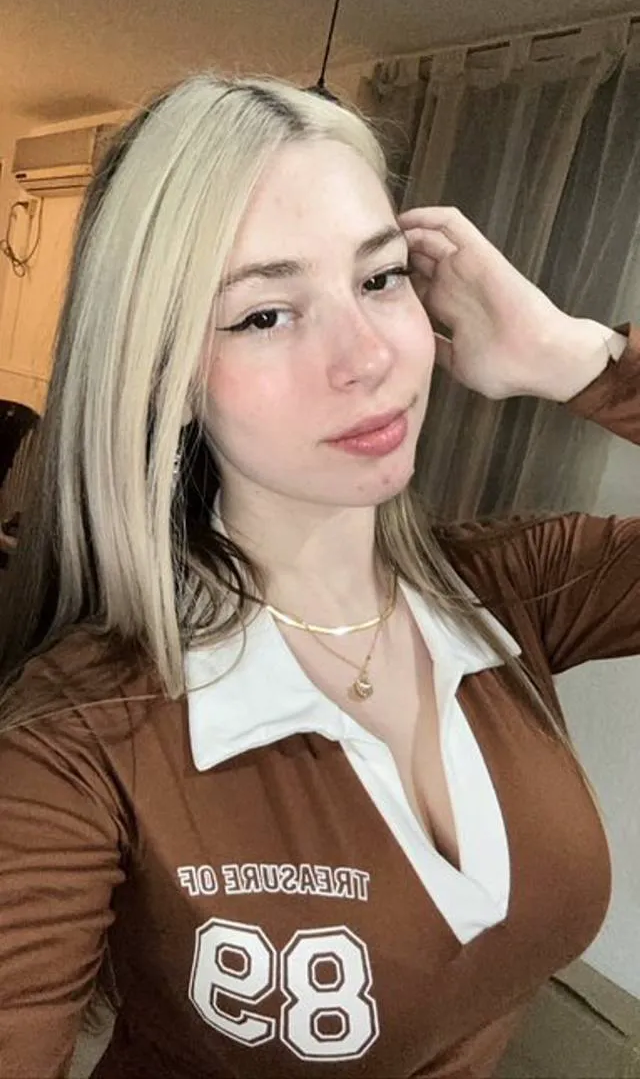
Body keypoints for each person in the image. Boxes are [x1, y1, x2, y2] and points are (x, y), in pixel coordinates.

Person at [0, 72, 637, 1079]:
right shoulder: (78, 738)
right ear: (161, 371)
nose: (369, 356)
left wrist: (580, 357)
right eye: (264, 314)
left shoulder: (517, 590)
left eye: (381, 278)